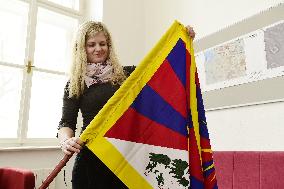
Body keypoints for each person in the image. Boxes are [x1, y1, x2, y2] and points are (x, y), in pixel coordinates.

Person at [57, 21, 196, 189]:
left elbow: (160, 67)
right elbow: (66, 123)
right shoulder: (74, 83)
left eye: (103, 44)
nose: (98, 49)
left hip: (126, 160)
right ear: (81, 48)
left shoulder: (126, 75)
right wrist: (66, 141)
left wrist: (181, 41)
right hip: (91, 159)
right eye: (91, 45)